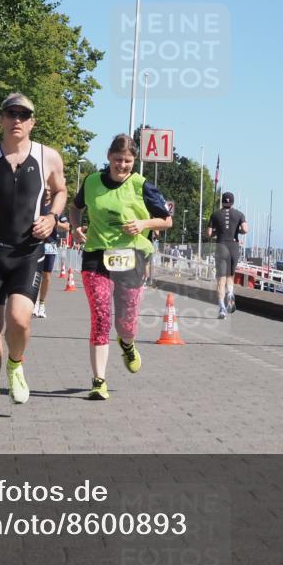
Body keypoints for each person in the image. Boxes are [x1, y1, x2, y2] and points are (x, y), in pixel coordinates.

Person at [0, 93, 67, 419]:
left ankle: (16, 365)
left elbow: (60, 191)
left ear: (32, 121)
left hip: (27, 251)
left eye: (23, 114)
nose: (17, 120)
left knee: (19, 320)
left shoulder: (48, 157)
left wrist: (52, 217)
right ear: (1, 119)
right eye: (11, 113)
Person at [69, 134, 172, 400]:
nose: (122, 166)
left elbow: (166, 220)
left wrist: (143, 225)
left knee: (126, 322)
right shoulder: (92, 182)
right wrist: (75, 227)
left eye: (127, 161)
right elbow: (76, 207)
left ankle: (126, 343)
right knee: (102, 316)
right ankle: (98, 380)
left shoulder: (142, 185)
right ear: (108, 157)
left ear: (134, 161)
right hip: (96, 254)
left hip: (131, 256)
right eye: (117, 160)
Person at [206, 191, 248, 318]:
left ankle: (222, 308)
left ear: (222, 201)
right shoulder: (240, 214)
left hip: (221, 246)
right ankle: (230, 292)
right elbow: (245, 229)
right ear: (233, 202)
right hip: (233, 247)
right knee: (230, 276)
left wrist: (216, 231)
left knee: (220, 279)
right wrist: (237, 230)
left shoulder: (215, 215)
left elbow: (208, 233)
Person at [34, 189, 70, 318]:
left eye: (50, 190)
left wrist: (55, 222)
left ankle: (42, 303)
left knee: (46, 275)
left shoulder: (56, 209)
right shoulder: (35, 204)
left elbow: (67, 226)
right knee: (33, 273)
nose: (47, 192)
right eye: (45, 189)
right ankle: (34, 302)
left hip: (50, 244)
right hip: (35, 243)